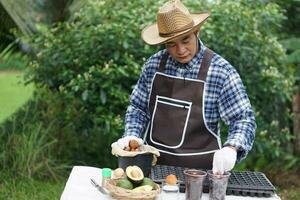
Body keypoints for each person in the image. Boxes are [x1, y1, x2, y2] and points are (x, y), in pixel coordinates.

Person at [116, 0, 256, 175]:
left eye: (185, 39)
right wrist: (132, 135)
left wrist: (232, 148)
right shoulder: (153, 66)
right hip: (153, 171)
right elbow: (138, 108)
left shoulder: (220, 72)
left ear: (196, 32)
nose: (180, 50)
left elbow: (242, 119)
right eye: (171, 44)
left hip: (202, 175)